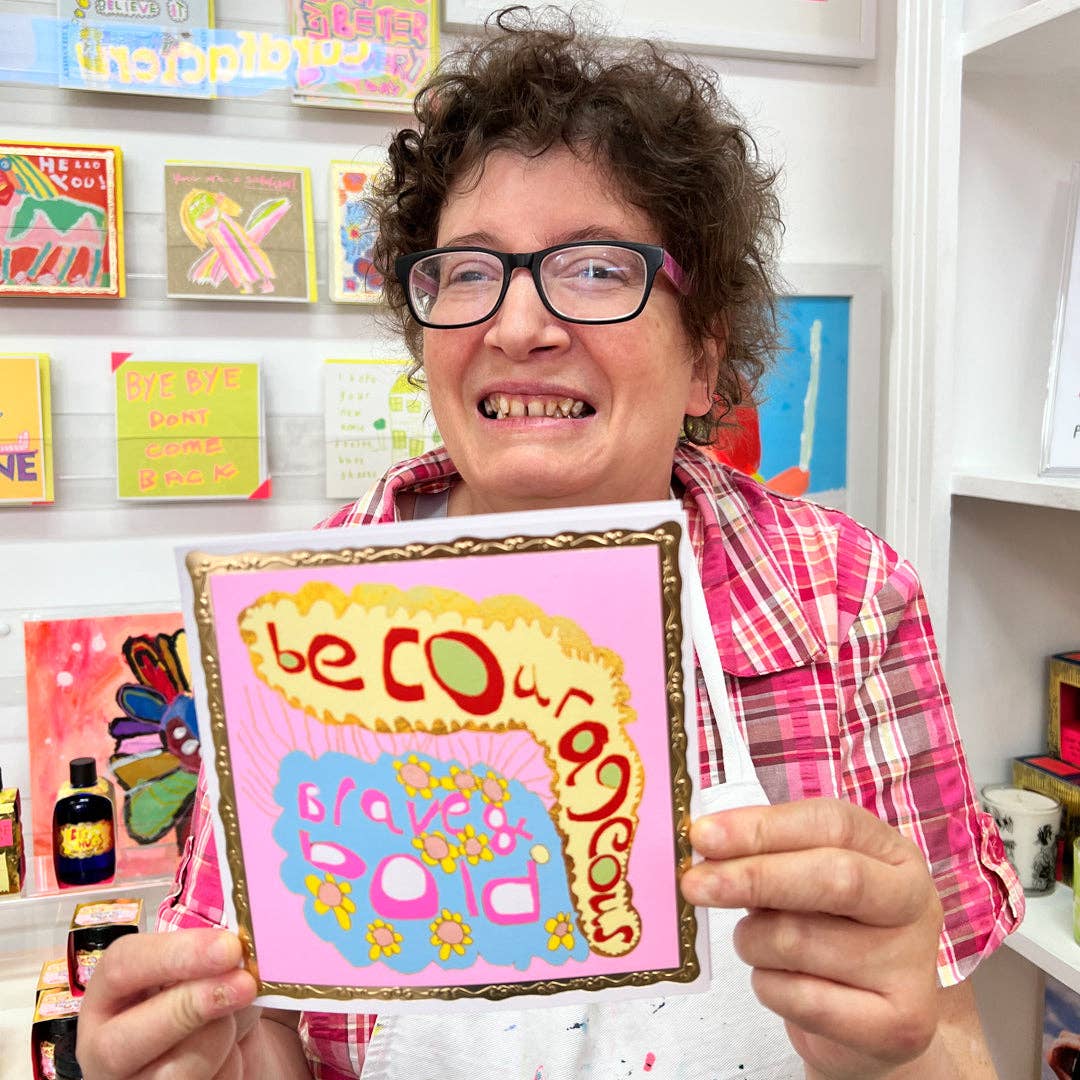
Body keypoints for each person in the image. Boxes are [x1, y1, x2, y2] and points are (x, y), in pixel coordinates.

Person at [76, 7, 1023, 1078]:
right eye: (468, 274)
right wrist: (208, 1059)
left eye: (596, 268)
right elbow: (272, 1028)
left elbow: (947, 1040)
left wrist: (895, 1047)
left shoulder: (842, 598)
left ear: (706, 357)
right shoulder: (300, 614)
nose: (518, 327)